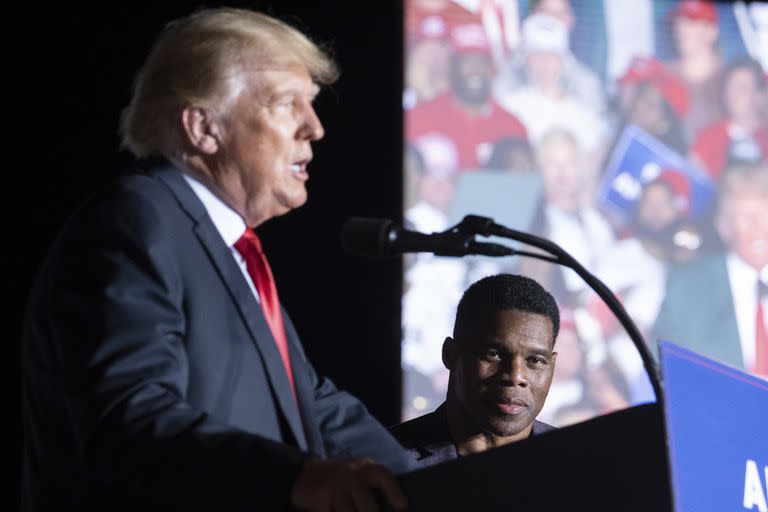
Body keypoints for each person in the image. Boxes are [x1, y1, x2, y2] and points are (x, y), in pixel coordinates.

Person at [21, 7, 412, 511]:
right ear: (203, 128)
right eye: (287, 105)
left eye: (310, 106)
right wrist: (299, 479)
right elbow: (129, 417)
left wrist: (447, 482)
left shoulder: (225, 247)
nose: (314, 128)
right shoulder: (137, 221)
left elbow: (312, 405)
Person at [390, 273, 559, 469]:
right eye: (493, 354)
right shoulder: (375, 465)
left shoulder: (580, 463)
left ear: (552, 366)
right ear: (450, 355)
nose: (515, 376)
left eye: (535, 360)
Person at [652, 163, 768, 377]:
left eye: (764, 213)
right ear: (723, 227)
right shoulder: (688, 286)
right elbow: (661, 367)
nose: (758, 227)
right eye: (744, 217)